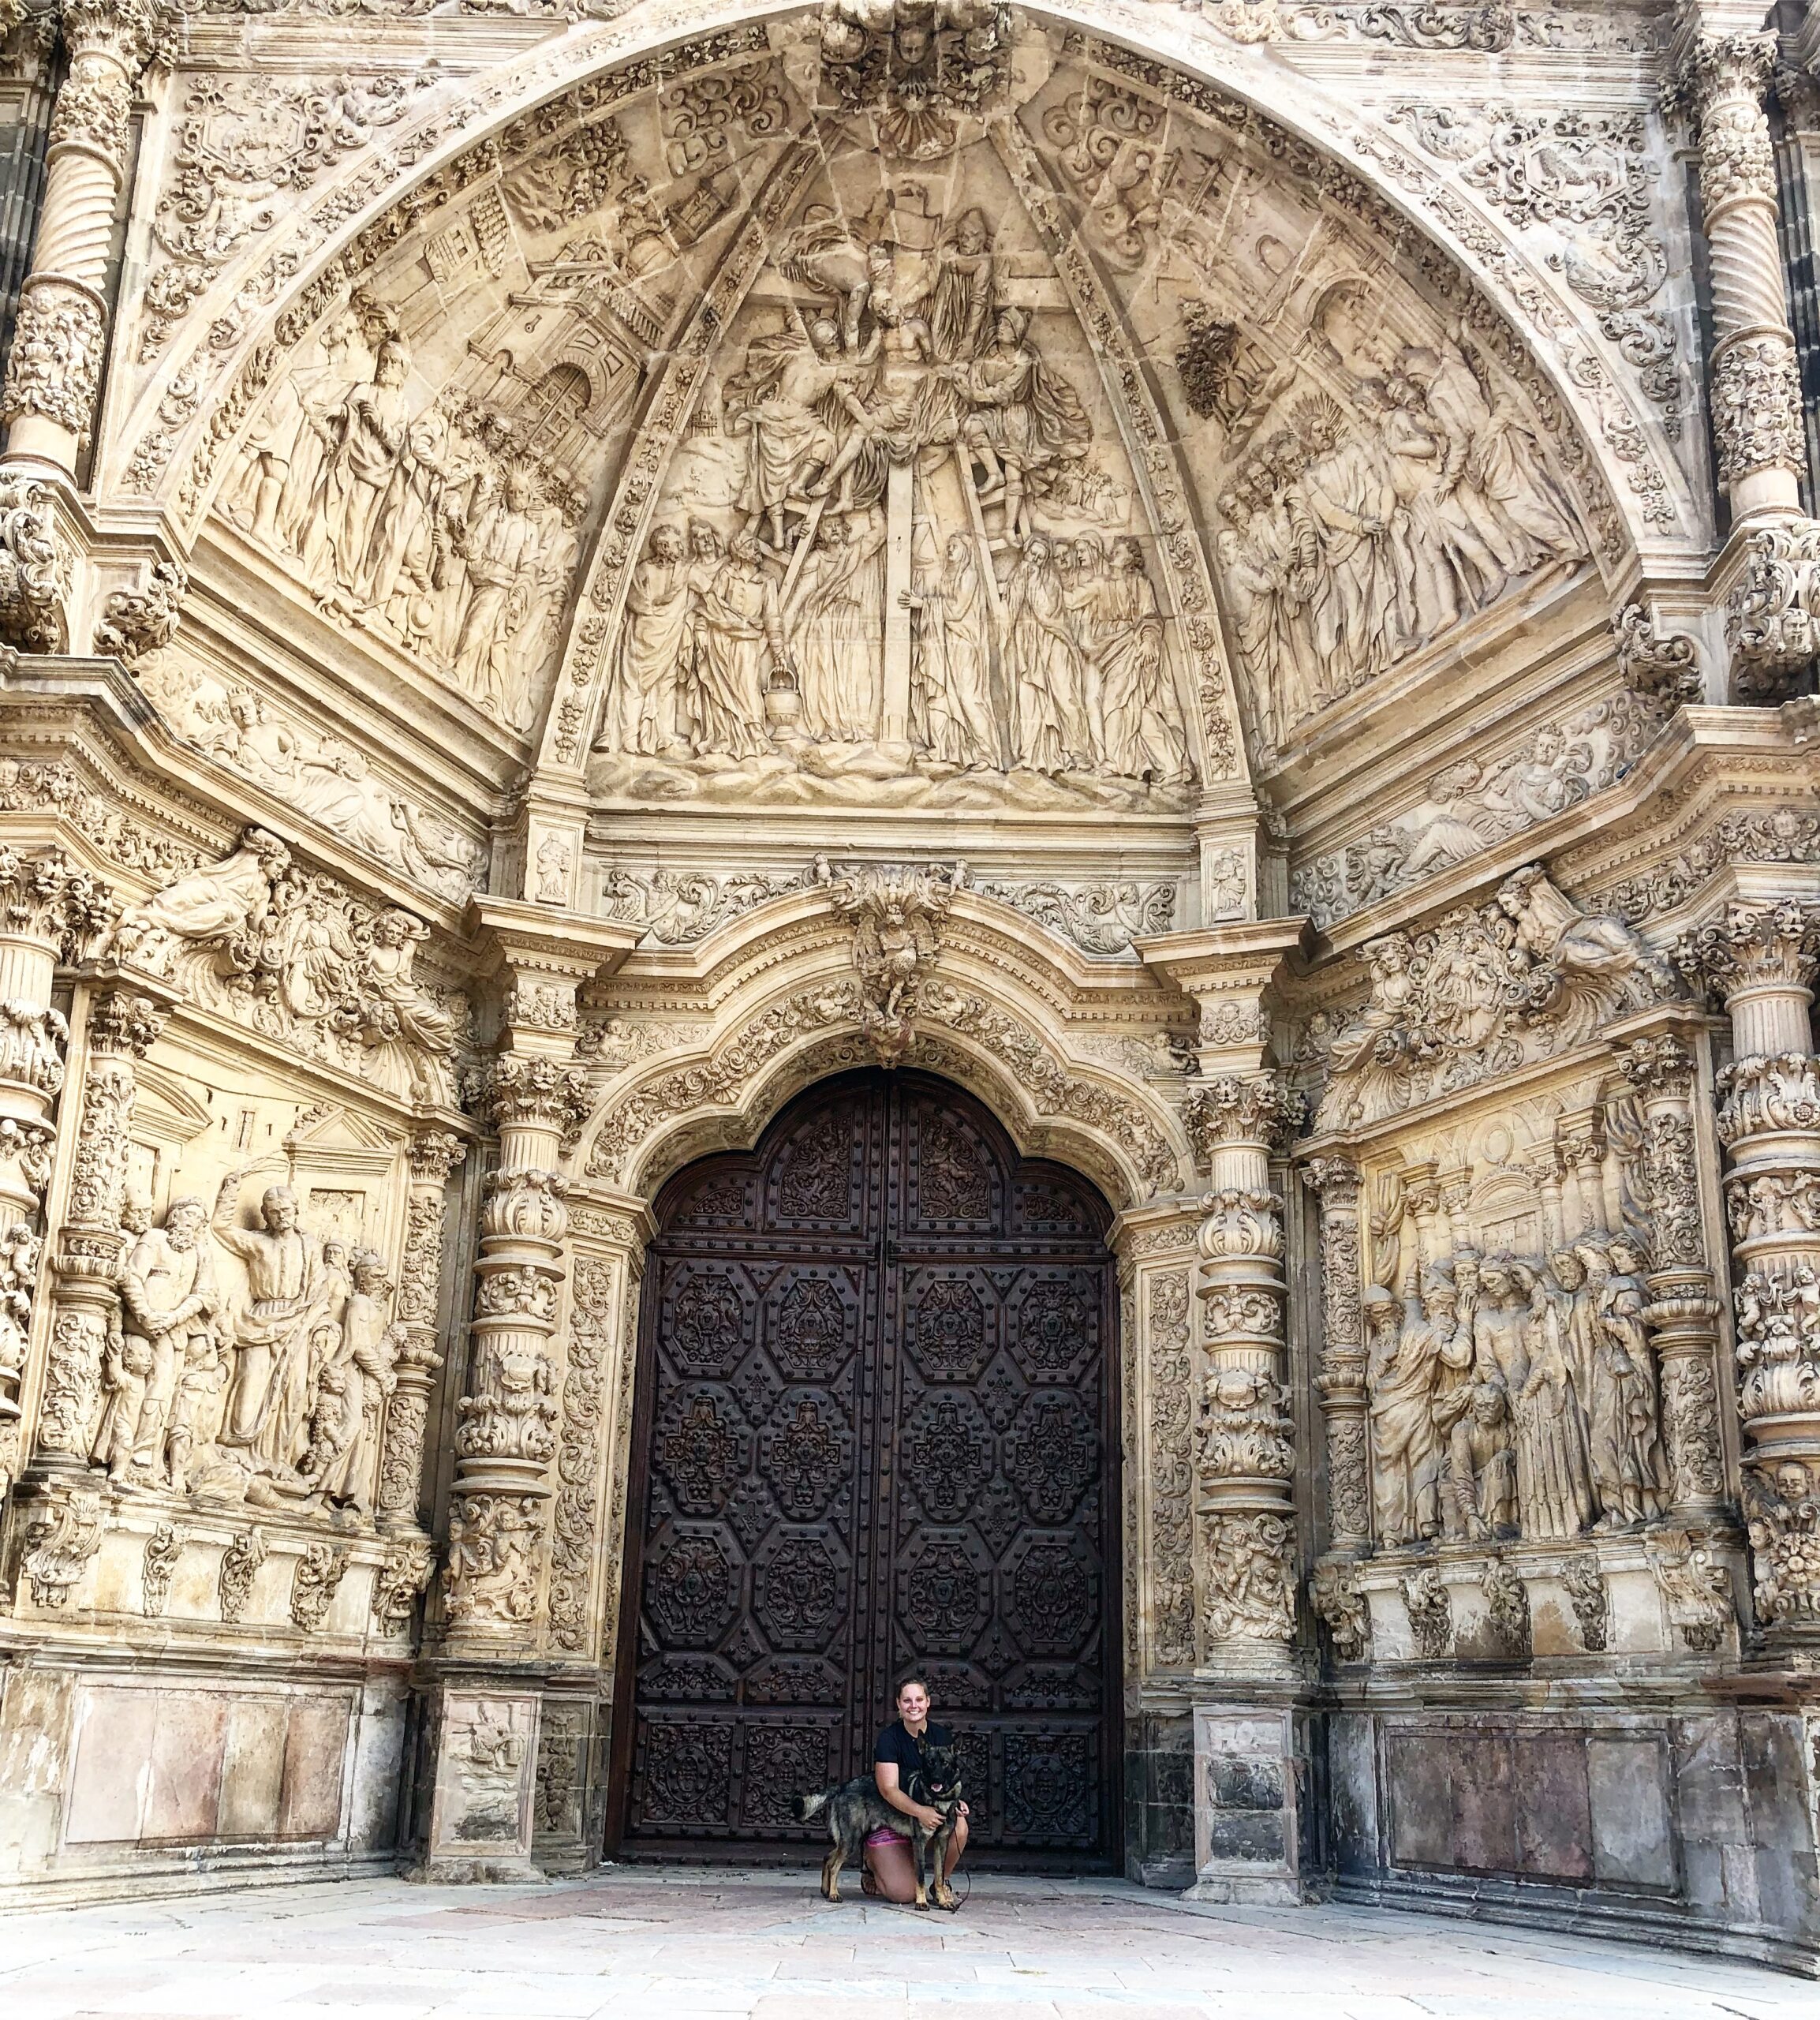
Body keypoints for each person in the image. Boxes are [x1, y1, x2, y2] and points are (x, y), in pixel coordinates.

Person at [865, 1674, 970, 1903]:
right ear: (898, 1705)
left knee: (959, 1826)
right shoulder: (889, 1739)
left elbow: (951, 1777)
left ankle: (941, 1884)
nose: (914, 1706)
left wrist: (956, 1802)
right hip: (894, 1819)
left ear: (928, 1702)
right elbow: (888, 1789)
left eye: (919, 1700)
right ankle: (870, 1863)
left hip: (929, 1821)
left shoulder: (941, 1736)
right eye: (907, 1701)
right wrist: (920, 1812)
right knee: (903, 1894)